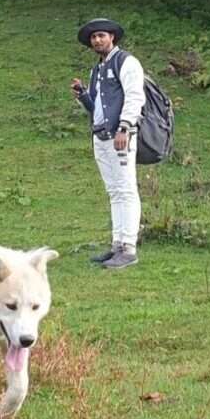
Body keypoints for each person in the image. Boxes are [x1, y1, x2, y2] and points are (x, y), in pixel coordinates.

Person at [70, 18, 145, 269]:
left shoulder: (126, 62)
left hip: (120, 135)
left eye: (101, 35)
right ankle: (117, 244)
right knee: (114, 191)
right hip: (100, 135)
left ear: (112, 37)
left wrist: (125, 127)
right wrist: (83, 95)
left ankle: (129, 247)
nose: (97, 40)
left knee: (126, 189)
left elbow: (135, 96)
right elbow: (97, 109)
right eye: (93, 37)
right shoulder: (97, 70)